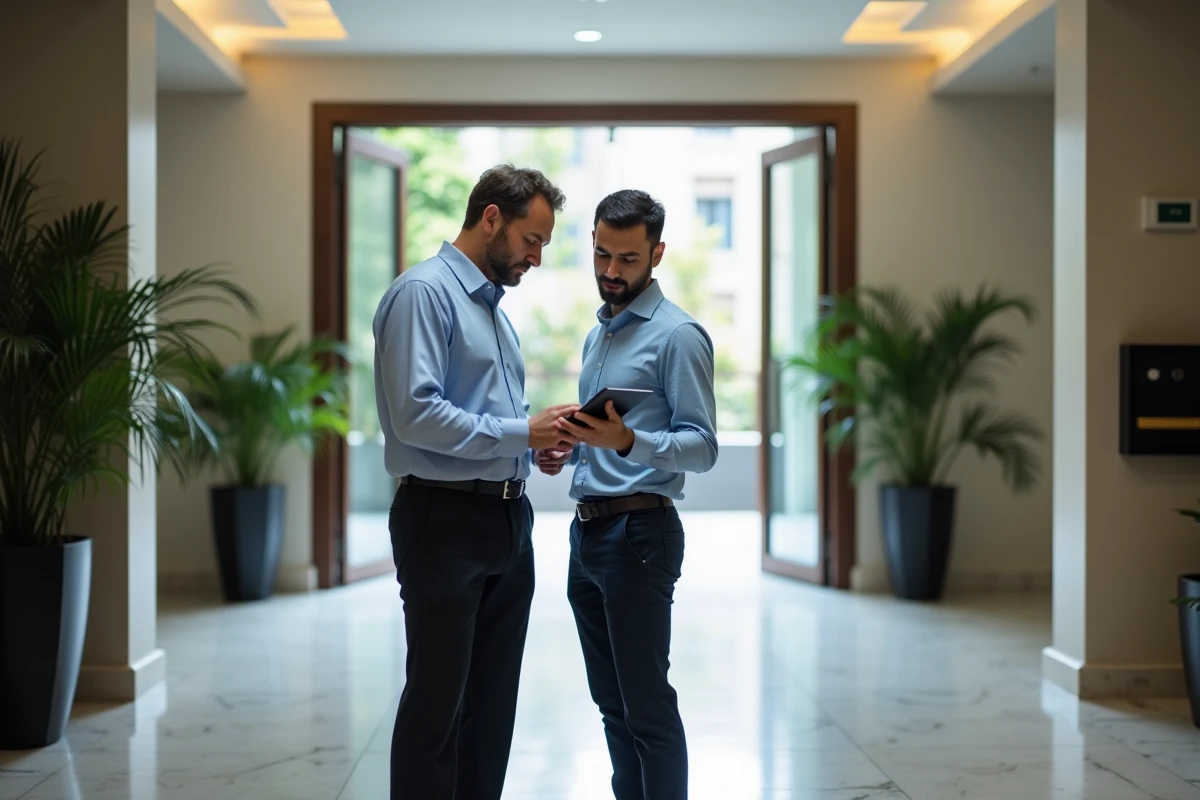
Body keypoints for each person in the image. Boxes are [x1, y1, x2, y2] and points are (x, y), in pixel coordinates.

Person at [373, 164, 581, 800]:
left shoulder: (493, 309)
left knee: (491, 711)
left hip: (507, 520)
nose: (537, 257)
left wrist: (538, 450)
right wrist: (522, 432)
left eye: (543, 244)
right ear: (491, 217)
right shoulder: (422, 294)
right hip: (442, 521)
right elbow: (416, 416)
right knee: (436, 710)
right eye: (532, 239)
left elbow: (489, 417)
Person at [537, 189, 718, 800]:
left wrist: (627, 441)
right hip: (588, 534)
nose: (611, 273)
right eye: (601, 255)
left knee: (646, 706)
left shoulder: (678, 336)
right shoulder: (601, 335)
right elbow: (609, 434)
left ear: (657, 253)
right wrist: (572, 448)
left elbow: (702, 446)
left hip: (640, 535)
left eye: (628, 260)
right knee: (612, 705)